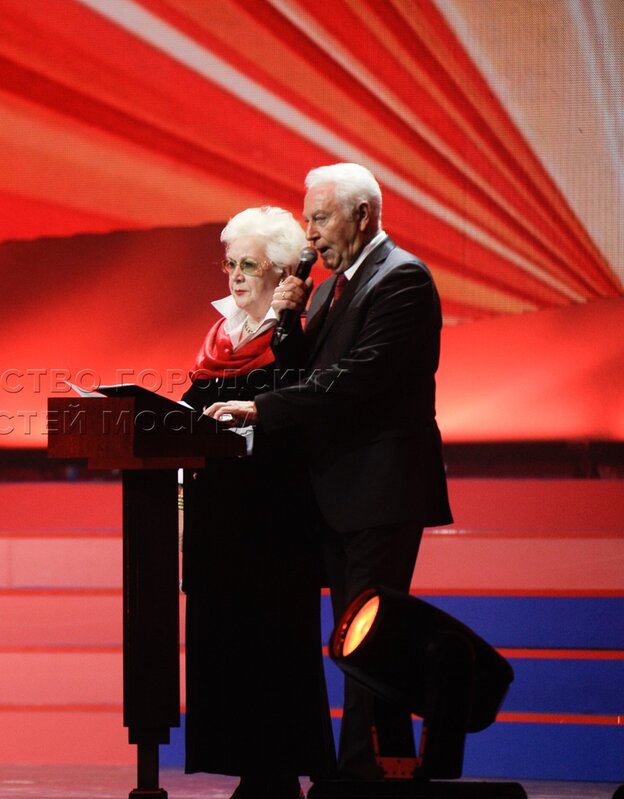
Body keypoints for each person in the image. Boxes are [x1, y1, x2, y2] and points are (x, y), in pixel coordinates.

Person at [206, 164, 453, 779]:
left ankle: (358, 775)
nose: (310, 234)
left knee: (365, 638)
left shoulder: (402, 279)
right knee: (362, 639)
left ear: (362, 215)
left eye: (320, 218)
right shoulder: (328, 289)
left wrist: (260, 407)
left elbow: (356, 379)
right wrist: (289, 319)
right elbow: (307, 367)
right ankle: (384, 770)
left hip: (382, 489)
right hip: (340, 493)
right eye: (308, 219)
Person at [180, 206, 335, 799]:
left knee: (274, 648)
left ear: (281, 271)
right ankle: (252, 770)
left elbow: (302, 419)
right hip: (217, 520)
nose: (235, 276)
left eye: (248, 265)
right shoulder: (220, 336)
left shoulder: (296, 338)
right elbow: (189, 416)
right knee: (226, 647)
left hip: (273, 523)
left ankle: (278, 773)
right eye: (229, 264)